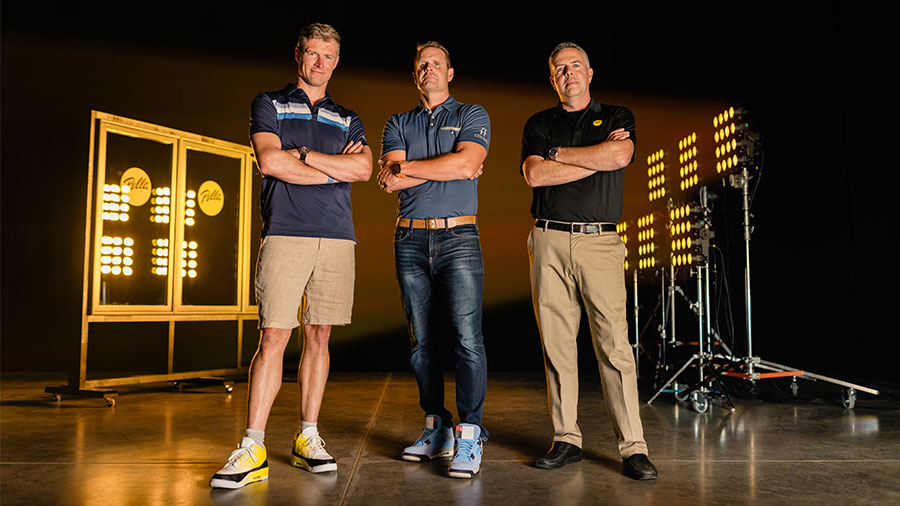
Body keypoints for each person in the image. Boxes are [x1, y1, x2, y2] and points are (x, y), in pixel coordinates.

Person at [210, 23, 372, 489]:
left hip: (338, 237)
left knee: (319, 336)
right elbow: (271, 162)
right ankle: (253, 445)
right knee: (275, 337)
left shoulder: (349, 116)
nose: (319, 62)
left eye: (328, 55)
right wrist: (330, 168)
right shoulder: (269, 103)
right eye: (312, 53)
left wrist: (303, 155)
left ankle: (308, 436)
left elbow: (362, 169)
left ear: (336, 62)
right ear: (298, 55)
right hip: (285, 232)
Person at [520, 42, 658, 480]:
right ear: (552, 78)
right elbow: (534, 174)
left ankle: (633, 447)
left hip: (599, 243)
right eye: (559, 69)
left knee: (614, 347)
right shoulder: (539, 123)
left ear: (590, 73)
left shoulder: (617, 117)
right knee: (557, 347)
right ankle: (566, 439)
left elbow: (620, 155)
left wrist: (559, 154)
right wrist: (592, 158)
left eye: (575, 66)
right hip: (548, 240)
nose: (568, 73)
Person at [377, 41, 490, 479]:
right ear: (415, 75)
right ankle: (437, 426)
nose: (428, 69)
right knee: (422, 343)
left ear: (450, 72)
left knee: (466, 339)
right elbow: (389, 179)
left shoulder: (471, 114)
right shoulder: (397, 121)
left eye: (436, 64)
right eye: (421, 65)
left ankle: (470, 432)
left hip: (459, 236)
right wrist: (451, 163)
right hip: (409, 239)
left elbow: (467, 165)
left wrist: (414, 168)